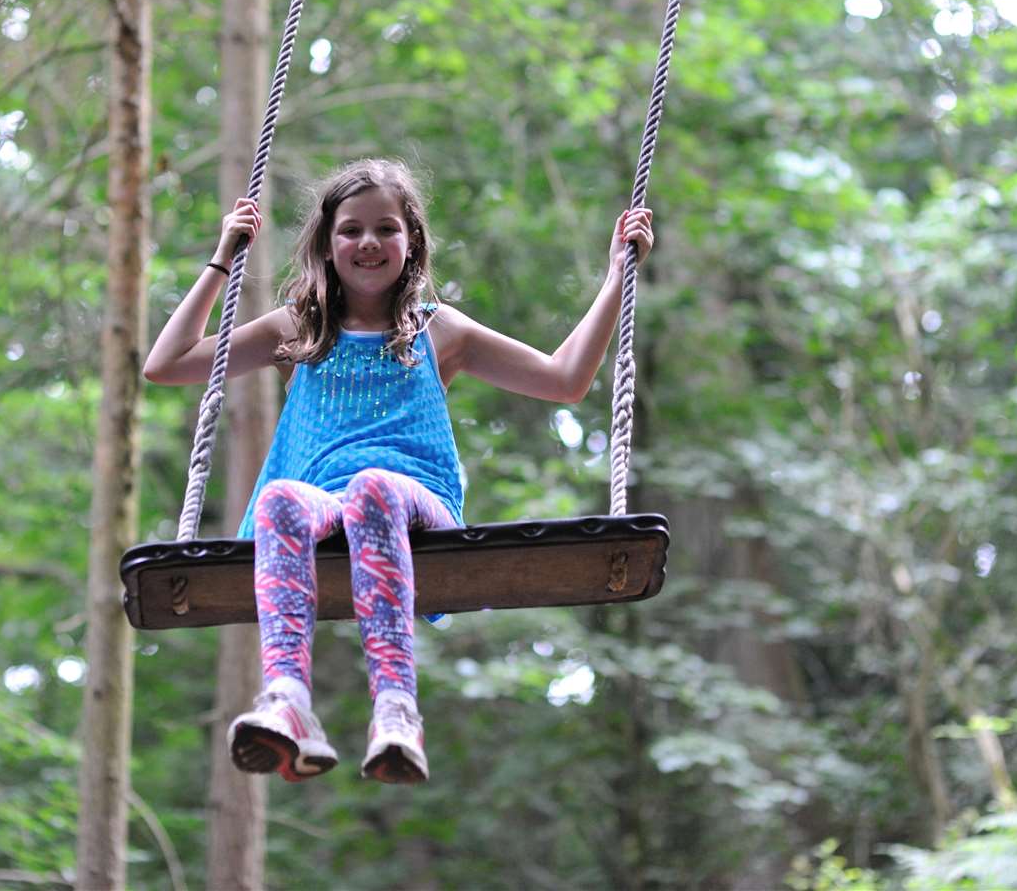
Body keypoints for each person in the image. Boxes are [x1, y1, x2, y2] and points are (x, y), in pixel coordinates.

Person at [143, 158, 653, 784]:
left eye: (386, 228)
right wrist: (223, 260)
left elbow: (564, 379)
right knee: (278, 499)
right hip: (325, 509)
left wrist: (614, 279)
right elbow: (167, 364)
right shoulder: (298, 331)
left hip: (417, 507)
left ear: (410, 241)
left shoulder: (439, 331)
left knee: (373, 488)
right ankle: (287, 701)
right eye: (350, 230)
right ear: (327, 246)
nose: (368, 243)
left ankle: (396, 708)